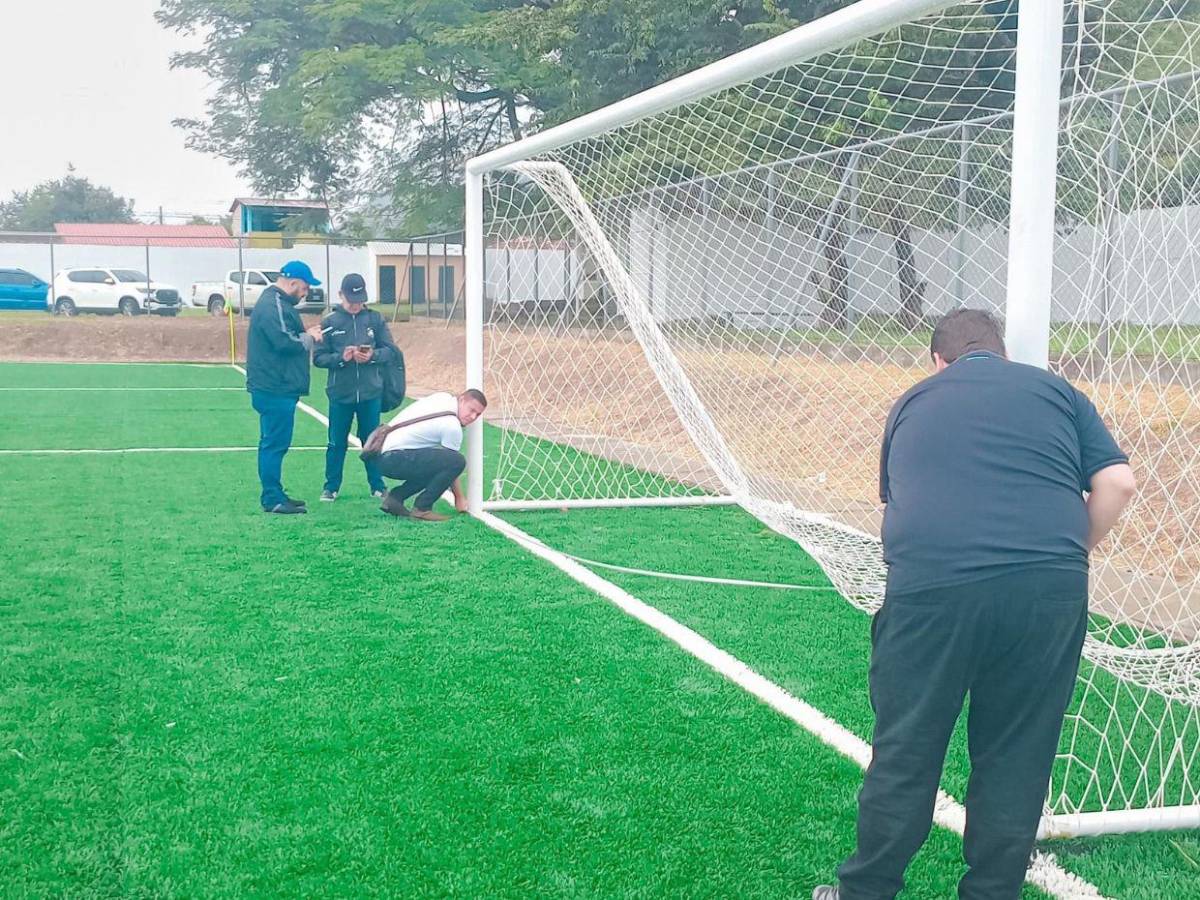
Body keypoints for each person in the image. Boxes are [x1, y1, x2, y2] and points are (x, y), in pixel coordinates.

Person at [814, 309, 1136, 900]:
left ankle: (866, 891)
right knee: (1017, 752)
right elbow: (1118, 483)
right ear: (1004, 352)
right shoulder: (1060, 392)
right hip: (1048, 593)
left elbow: (900, 506)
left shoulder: (915, 401)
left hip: (933, 592)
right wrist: (1063, 554)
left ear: (938, 361)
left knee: (908, 747)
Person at [244, 260, 324, 514]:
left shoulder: (277, 304)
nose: (305, 293)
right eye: (304, 288)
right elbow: (284, 341)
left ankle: (276, 493)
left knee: (275, 443)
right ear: (292, 283)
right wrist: (311, 337)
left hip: (278, 386)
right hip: (274, 387)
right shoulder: (273, 304)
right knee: (274, 444)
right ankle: (272, 498)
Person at [313, 273, 400, 501]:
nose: (355, 306)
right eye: (352, 301)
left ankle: (377, 485)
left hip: (371, 392)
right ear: (341, 295)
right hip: (340, 393)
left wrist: (372, 356)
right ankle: (331, 487)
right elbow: (319, 358)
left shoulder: (375, 319)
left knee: (372, 441)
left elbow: (391, 351)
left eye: (360, 300)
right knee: (336, 442)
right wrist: (341, 358)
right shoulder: (330, 322)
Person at [375, 389, 488, 522]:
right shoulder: (452, 426)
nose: (473, 417)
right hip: (395, 458)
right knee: (457, 461)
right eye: (471, 410)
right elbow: (451, 464)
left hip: (381, 455)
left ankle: (395, 499)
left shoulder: (442, 397)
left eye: (478, 414)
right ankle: (422, 508)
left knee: (434, 464)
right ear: (462, 400)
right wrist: (459, 498)